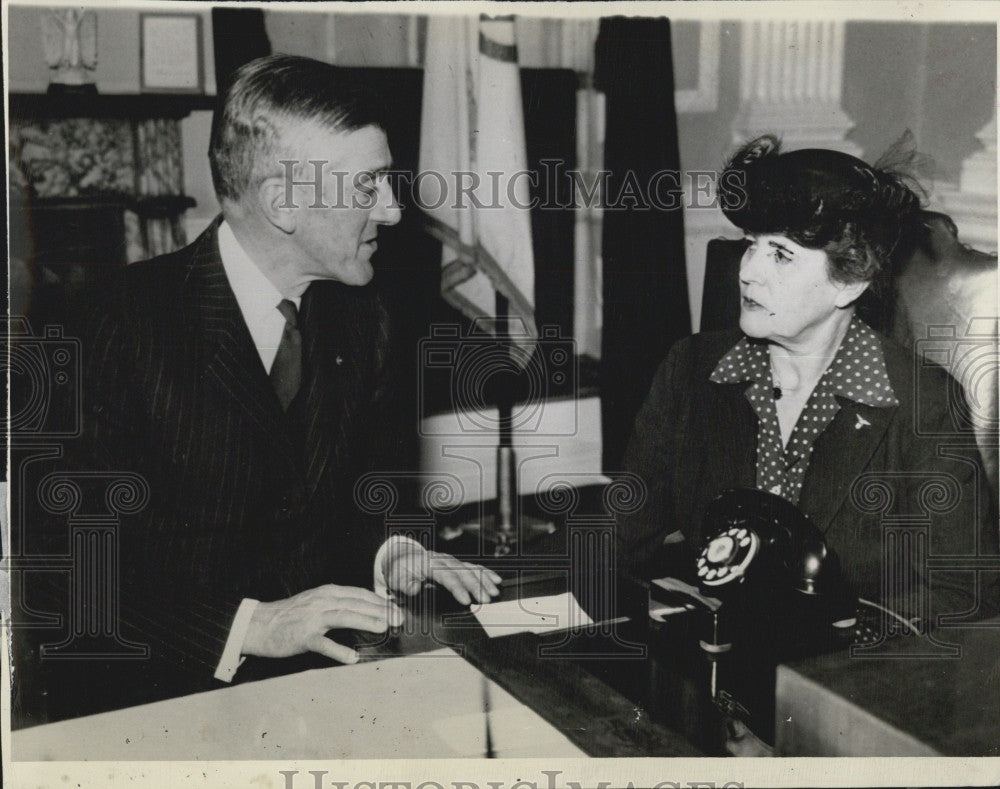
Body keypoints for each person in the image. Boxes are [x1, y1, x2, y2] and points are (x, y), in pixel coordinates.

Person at [15, 54, 501, 721]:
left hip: (325, 693)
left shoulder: (366, 319)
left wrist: (395, 552)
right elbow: (66, 578)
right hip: (156, 707)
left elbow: (364, 497)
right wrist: (253, 627)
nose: (391, 210)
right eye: (367, 187)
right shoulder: (103, 329)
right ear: (283, 203)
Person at [618, 134, 999, 633]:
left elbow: (965, 591)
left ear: (850, 280)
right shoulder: (690, 370)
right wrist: (492, 577)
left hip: (847, 681)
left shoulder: (920, 402)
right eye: (751, 246)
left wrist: (833, 636)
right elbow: (618, 528)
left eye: (780, 254)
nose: (748, 273)